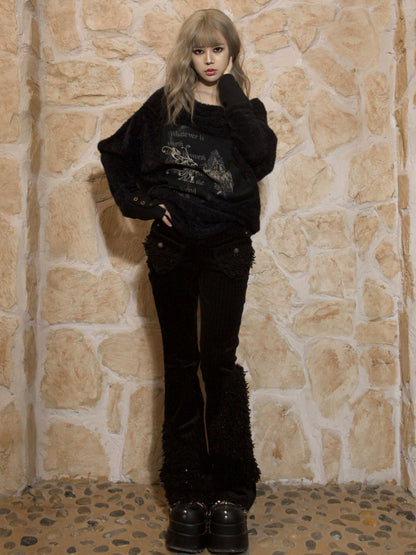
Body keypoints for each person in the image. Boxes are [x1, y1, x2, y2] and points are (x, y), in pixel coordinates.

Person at [98, 8, 277, 554]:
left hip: (226, 249)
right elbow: (115, 152)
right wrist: (146, 205)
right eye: (199, 51)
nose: (208, 60)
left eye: (218, 49)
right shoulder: (165, 106)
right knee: (180, 362)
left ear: (232, 53)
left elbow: (262, 158)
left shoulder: (246, 110)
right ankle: (186, 490)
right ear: (188, 55)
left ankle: (231, 492)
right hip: (172, 250)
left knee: (218, 362)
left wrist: (234, 93)